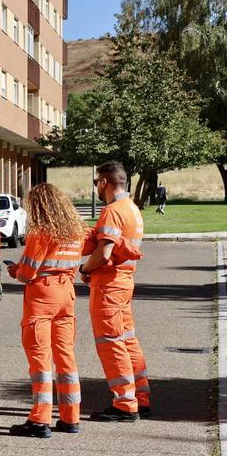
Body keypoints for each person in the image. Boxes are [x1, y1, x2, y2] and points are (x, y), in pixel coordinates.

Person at [3, 184, 86, 438]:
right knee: (65, 357)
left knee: (40, 359)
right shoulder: (76, 232)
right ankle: (71, 417)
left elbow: (27, 272)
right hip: (66, 293)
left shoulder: (42, 233)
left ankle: (40, 420)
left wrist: (14, 270)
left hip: (43, 295)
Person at [81, 161, 150, 422]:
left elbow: (104, 252)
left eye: (96, 184)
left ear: (103, 182)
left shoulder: (112, 211)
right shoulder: (132, 209)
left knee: (110, 342)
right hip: (124, 282)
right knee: (128, 340)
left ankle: (124, 403)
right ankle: (140, 398)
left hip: (109, 285)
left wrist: (85, 267)